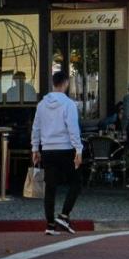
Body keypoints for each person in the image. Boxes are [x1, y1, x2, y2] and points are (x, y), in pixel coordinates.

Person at [31, 69, 83, 235]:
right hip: (65, 148)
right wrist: (78, 150)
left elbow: (36, 127)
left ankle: (50, 225)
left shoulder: (41, 104)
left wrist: (35, 148)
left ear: (53, 83)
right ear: (66, 83)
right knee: (76, 182)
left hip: (47, 150)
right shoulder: (69, 104)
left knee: (50, 188)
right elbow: (73, 128)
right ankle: (64, 214)